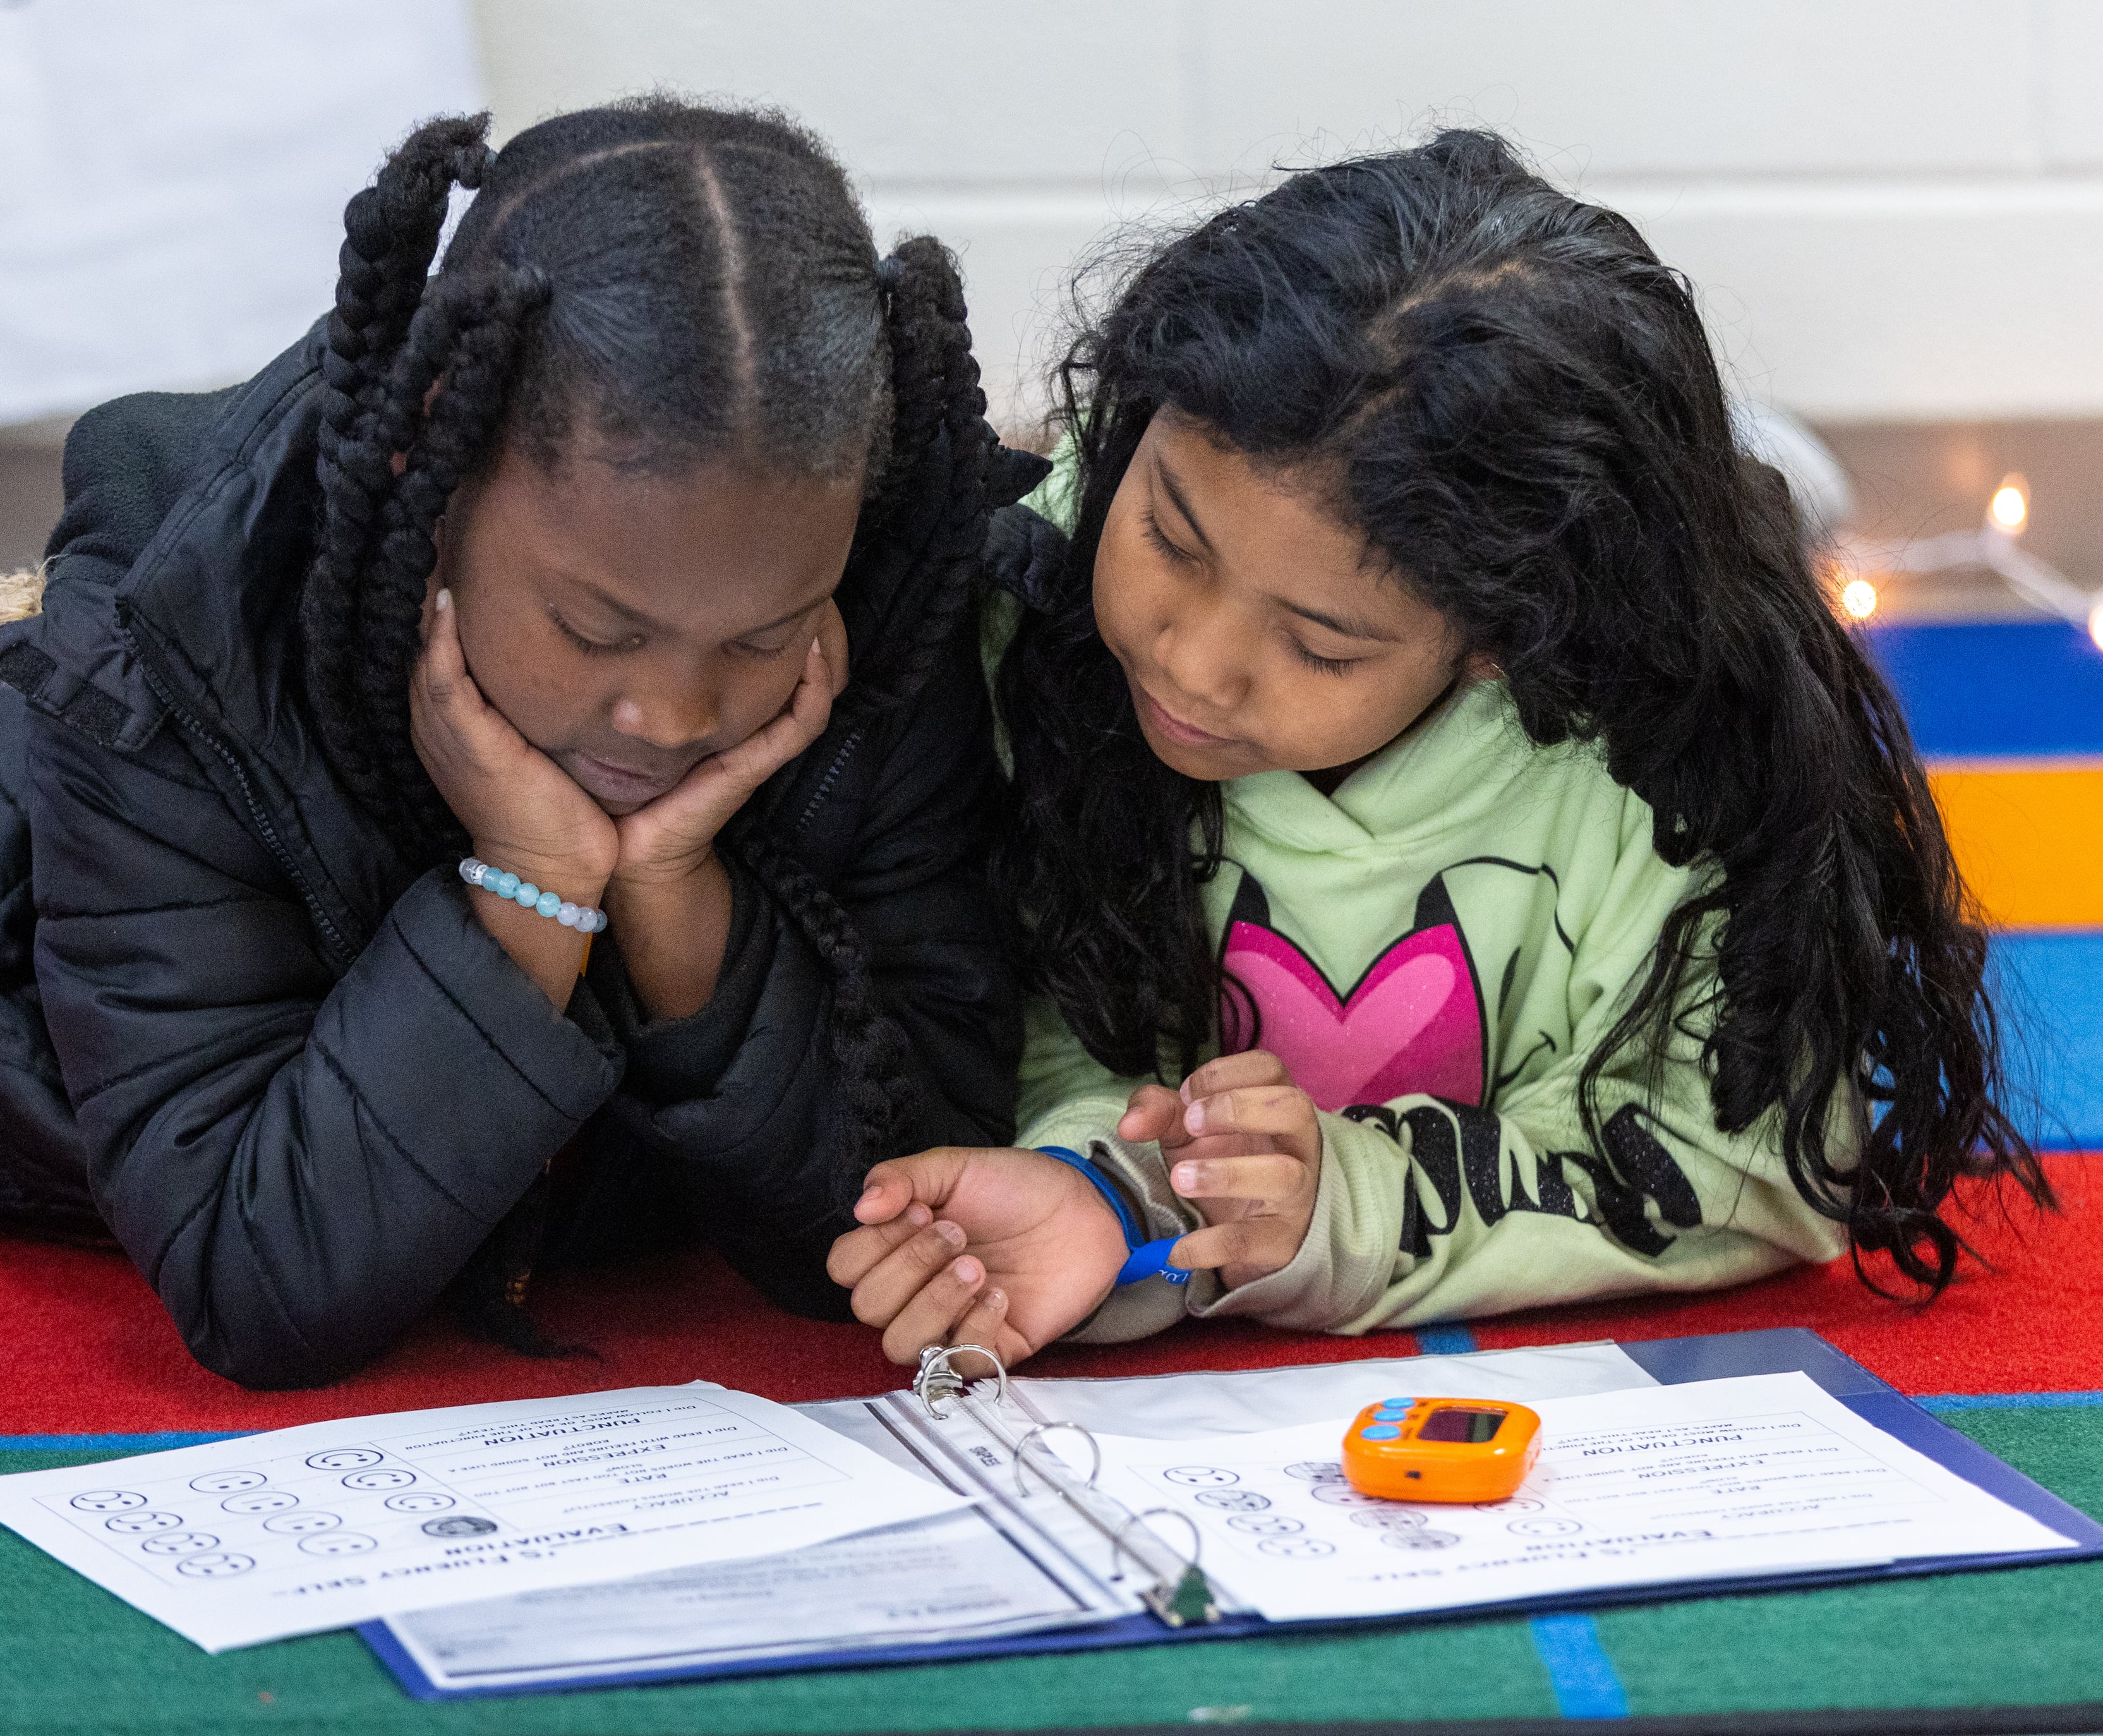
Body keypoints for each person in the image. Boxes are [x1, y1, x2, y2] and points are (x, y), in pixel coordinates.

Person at [0, 99, 1043, 1387]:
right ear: (426, 487)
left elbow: (912, 1199)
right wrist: (530, 886)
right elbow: (260, 1279)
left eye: (755, 641)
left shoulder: (874, 594)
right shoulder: (176, 626)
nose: (675, 718)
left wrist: (677, 907)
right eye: (597, 629)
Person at [826, 130, 2050, 1368]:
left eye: (1321, 645)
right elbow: (1043, 1035)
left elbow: (1745, 1166)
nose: (1194, 662)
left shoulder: (1669, 767)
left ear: (1495, 644)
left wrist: (1347, 1200)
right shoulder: (1021, 606)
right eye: (1171, 536)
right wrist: (1110, 1194)